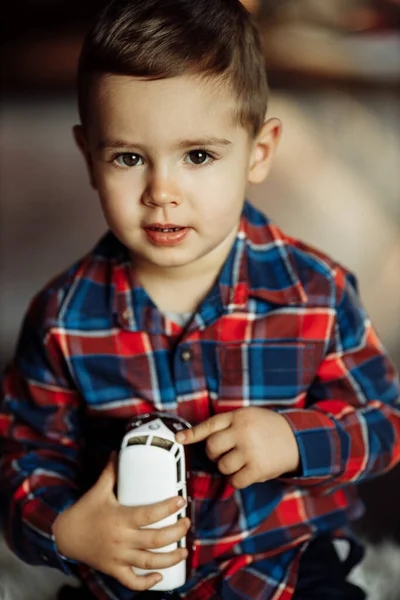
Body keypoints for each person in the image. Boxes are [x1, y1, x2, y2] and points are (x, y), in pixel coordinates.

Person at [0, 1, 399, 599]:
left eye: (199, 156)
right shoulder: (62, 318)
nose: (162, 192)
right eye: (129, 158)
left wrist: (296, 439)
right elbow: (22, 454)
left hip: (283, 565)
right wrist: (65, 529)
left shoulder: (317, 293)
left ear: (258, 153)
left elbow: (384, 424)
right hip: (130, 580)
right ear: (90, 157)